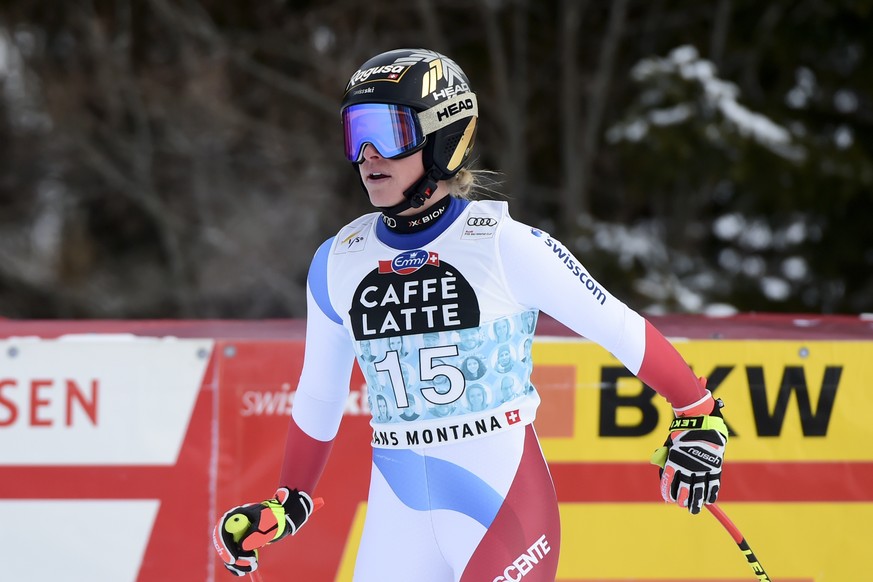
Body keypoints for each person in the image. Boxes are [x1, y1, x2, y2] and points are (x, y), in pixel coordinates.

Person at [213, 48, 729, 582]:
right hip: (399, 515)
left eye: (387, 132)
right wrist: (290, 500)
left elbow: (620, 327)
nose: (367, 155)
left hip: (503, 510)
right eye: (354, 132)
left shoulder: (505, 245)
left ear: (442, 138)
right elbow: (320, 392)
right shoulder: (336, 261)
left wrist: (698, 413)